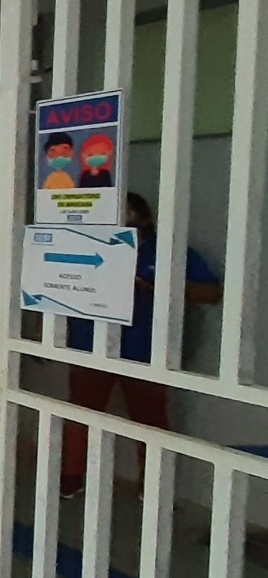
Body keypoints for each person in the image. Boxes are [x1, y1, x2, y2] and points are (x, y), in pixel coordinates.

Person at [63, 193, 221, 496]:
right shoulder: (89, 245)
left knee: (151, 425)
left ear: (144, 217)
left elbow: (212, 293)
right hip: (90, 346)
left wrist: (159, 287)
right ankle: (70, 478)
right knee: (79, 416)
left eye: (129, 214)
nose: (123, 220)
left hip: (146, 351)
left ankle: (153, 489)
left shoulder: (169, 253)